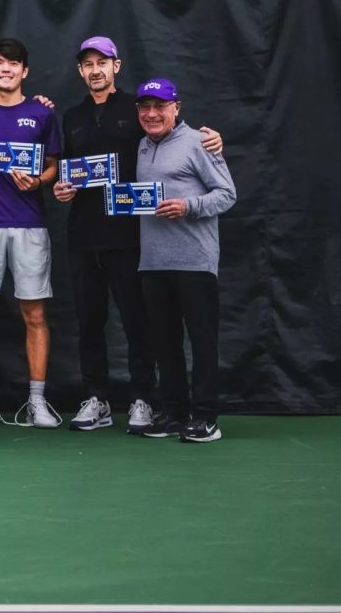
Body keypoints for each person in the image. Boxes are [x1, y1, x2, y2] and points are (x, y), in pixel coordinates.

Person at [54, 37, 223, 433]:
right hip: (83, 235)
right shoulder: (72, 116)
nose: (95, 69)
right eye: (87, 64)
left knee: (139, 324)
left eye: (103, 62)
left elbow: (176, 136)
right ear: (80, 71)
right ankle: (96, 398)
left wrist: (212, 139)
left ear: (117, 66)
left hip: (134, 237)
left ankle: (144, 399)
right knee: (89, 322)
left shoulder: (140, 111)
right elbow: (67, 170)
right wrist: (61, 189)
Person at [0, 38, 61, 429]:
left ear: (24, 71)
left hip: (31, 225)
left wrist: (38, 181)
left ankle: (37, 401)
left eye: (13, 64)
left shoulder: (41, 113)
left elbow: (54, 166)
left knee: (34, 313)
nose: (5, 69)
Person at [132, 79, 236, 443]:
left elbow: (227, 194)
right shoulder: (143, 147)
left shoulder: (199, 142)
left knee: (202, 341)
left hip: (195, 262)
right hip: (153, 264)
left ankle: (206, 417)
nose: (152, 113)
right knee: (164, 342)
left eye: (160, 106)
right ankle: (174, 413)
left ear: (176, 107)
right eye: (145, 107)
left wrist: (188, 206)